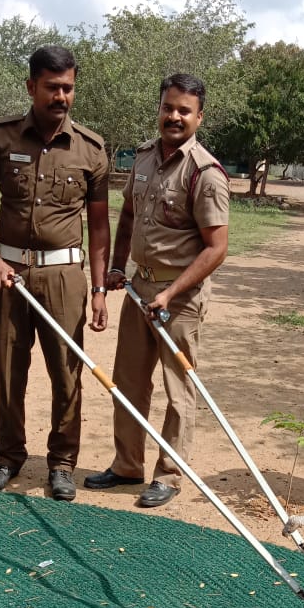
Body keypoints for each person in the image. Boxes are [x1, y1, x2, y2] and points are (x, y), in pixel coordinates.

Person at [0, 45, 110, 501]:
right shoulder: (2, 138)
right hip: (8, 275)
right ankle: (8, 457)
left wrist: (101, 289)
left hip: (65, 277)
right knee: (10, 370)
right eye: (52, 87)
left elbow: (101, 227)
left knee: (67, 375)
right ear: (31, 87)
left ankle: (62, 464)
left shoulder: (91, 149)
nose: (61, 96)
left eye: (68, 87)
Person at [84, 72, 229, 507]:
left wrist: (170, 293)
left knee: (178, 388)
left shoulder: (205, 173)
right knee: (128, 382)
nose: (174, 116)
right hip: (138, 289)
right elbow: (127, 217)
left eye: (184, 110)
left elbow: (216, 248)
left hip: (178, 299)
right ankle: (127, 465)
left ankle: (169, 474)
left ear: (199, 117)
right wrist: (114, 267)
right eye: (168, 107)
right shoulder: (144, 159)